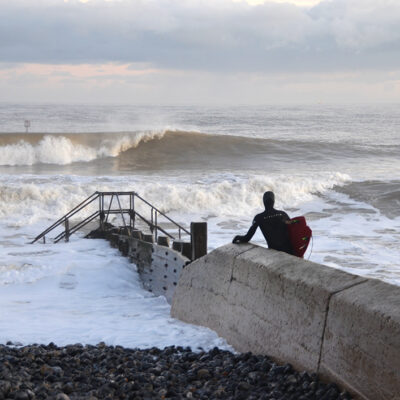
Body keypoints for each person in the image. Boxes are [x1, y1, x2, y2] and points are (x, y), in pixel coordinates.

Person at [232, 191, 293, 255]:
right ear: (274, 201)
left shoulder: (259, 218)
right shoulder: (282, 214)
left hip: (274, 252)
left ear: (263, 202)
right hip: (289, 251)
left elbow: (247, 238)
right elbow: (293, 231)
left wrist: (237, 237)